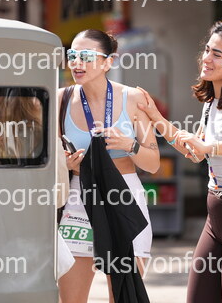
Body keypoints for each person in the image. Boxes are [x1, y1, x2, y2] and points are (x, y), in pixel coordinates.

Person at [138, 20, 222, 303]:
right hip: (216, 219)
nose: (206, 58)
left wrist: (211, 146)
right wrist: (155, 117)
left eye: (217, 54)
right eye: (207, 50)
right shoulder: (212, 103)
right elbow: (196, 151)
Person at [57, 29, 160, 303]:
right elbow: (49, 158)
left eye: (86, 56)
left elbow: (153, 163)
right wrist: (64, 164)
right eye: (73, 55)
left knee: (124, 295)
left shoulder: (133, 99)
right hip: (79, 199)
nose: (77, 63)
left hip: (124, 197)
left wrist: (129, 145)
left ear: (108, 62)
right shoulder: (60, 99)